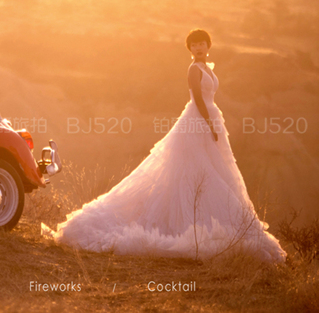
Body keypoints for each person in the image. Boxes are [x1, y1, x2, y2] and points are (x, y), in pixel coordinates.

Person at [45, 29, 286, 262]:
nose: (198, 47)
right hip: (197, 122)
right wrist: (210, 125)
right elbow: (198, 99)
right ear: (189, 49)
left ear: (208, 46)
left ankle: (208, 221)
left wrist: (214, 124)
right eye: (193, 45)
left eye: (201, 43)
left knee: (215, 171)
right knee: (194, 172)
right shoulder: (193, 69)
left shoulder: (206, 68)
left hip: (210, 120)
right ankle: (187, 225)